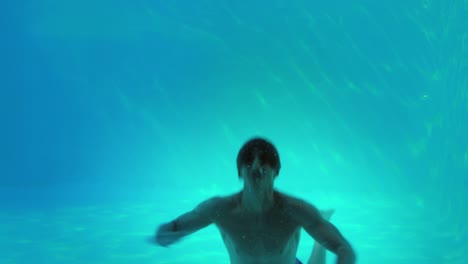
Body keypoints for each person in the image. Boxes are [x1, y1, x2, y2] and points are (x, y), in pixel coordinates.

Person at [151, 137, 356, 264]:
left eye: (265, 160)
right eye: (249, 161)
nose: (257, 166)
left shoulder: (296, 211)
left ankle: (318, 246)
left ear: (276, 172)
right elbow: (177, 226)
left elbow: (343, 248)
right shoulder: (219, 210)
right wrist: (166, 232)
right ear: (239, 172)